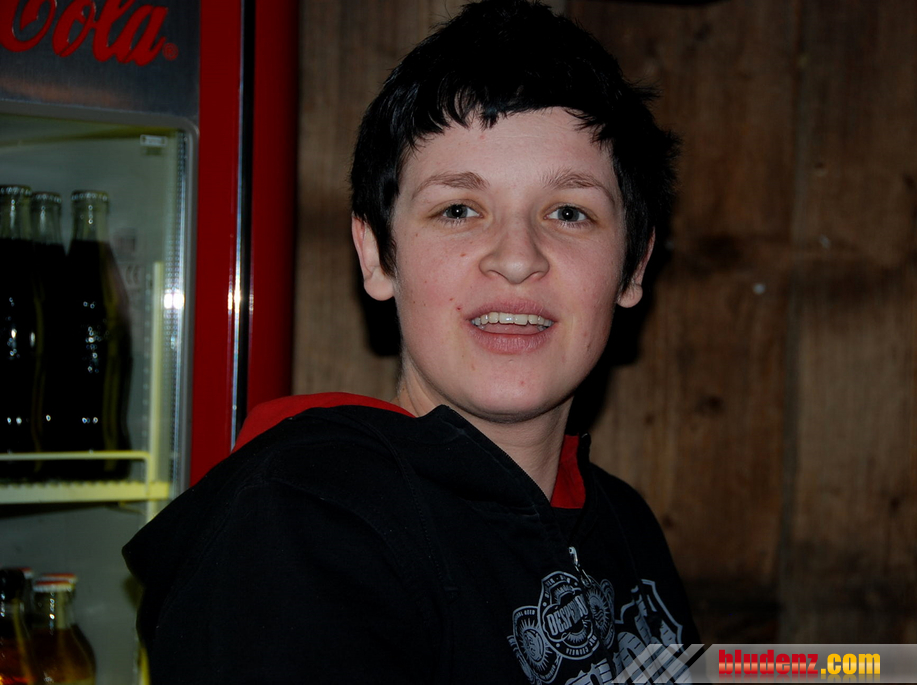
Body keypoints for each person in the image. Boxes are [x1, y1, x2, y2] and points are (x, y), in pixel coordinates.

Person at [123, 1, 699, 682]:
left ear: (633, 265)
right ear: (376, 255)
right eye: (459, 209)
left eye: (569, 212)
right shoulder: (302, 526)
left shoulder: (625, 527)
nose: (517, 257)